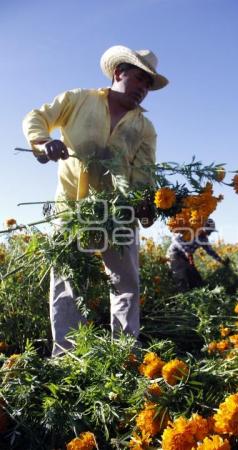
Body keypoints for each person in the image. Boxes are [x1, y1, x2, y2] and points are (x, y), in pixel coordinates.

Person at [22, 45, 168, 356]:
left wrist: (146, 204)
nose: (143, 89)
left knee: (126, 284)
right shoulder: (77, 100)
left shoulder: (144, 127)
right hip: (71, 208)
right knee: (66, 282)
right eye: (139, 79)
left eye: (148, 85)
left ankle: (125, 354)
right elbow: (36, 117)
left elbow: (144, 172)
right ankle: (66, 357)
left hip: (118, 214)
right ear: (118, 73)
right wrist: (43, 142)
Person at [166, 218, 229, 291]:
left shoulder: (204, 239)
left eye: (210, 232)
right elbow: (175, 240)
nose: (208, 234)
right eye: (208, 231)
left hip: (186, 257)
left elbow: (211, 252)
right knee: (181, 276)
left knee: (195, 278)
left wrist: (222, 261)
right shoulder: (190, 230)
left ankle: (195, 292)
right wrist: (186, 251)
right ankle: (180, 295)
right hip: (174, 254)